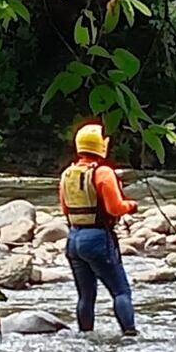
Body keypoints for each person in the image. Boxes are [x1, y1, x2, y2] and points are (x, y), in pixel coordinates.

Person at [59, 123, 139, 336]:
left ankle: (85, 334)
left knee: (85, 296)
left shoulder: (68, 173)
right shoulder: (103, 172)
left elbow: (64, 208)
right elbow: (115, 208)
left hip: (73, 239)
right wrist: (131, 206)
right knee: (121, 291)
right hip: (97, 239)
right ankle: (130, 335)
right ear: (101, 146)